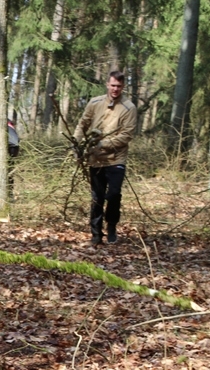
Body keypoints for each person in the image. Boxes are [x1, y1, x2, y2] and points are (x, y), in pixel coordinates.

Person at [74, 71, 137, 245]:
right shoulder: (95, 103)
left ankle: (111, 226)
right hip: (95, 159)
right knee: (97, 197)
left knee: (114, 194)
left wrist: (104, 144)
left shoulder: (129, 108)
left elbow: (126, 135)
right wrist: (76, 143)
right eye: (113, 85)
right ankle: (96, 233)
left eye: (119, 86)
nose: (115, 89)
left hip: (116, 158)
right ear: (107, 84)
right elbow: (83, 124)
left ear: (123, 87)